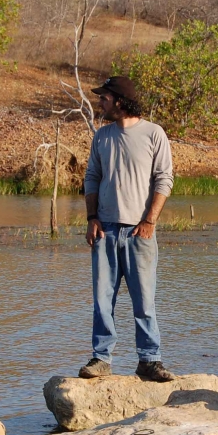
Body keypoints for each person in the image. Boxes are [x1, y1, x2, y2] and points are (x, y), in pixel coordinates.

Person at [79, 76, 176, 382]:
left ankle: (149, 360)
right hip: (105, 230)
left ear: (120, 100)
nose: (100, 102)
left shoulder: (153, 134)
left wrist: (149, 221)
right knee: (102, 298)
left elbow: (164, 179)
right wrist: (92, 217)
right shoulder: (102, 136)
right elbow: (92, 177)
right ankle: (101, 359)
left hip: (139, 232)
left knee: (144, 300)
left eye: (104, 97)